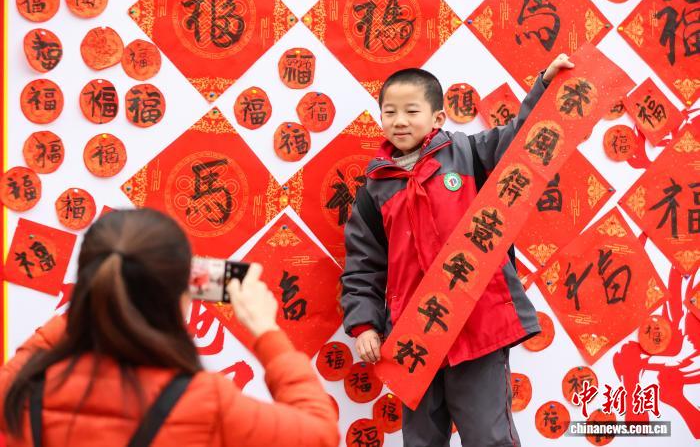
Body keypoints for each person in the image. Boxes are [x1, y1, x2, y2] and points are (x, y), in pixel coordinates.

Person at [341, 54, 575, 447]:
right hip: (413, 339)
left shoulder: (468, 154)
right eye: (390, 112)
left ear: (437, 118)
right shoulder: (373, 191)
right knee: (421, 440)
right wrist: (365, 325)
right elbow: (363, 267)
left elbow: (522, 139)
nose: (399, 121)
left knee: (489, 437)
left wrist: (545, 85)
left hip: (477, 326)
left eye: (411, 111)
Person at [0, 208, 339, 447]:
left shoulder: (20, 384)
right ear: (181, 300)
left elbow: (41, 347)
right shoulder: (204, 403)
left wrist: (98, 302)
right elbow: (320, 433)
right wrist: (266, 332)